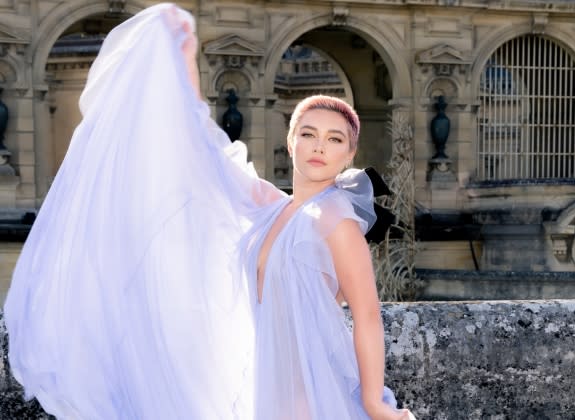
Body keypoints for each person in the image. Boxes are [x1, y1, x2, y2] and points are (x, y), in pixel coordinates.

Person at [4, 4, 414, 419]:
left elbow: (367, 314)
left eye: (334, 139)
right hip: (267, 389)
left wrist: (371, 399)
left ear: (349, 154)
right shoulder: (275, 207)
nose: (319, 147)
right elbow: (206, 152)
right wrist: (183, 58)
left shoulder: (335, 221)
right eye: (308, 134)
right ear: (291, 143)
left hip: (316, 387)